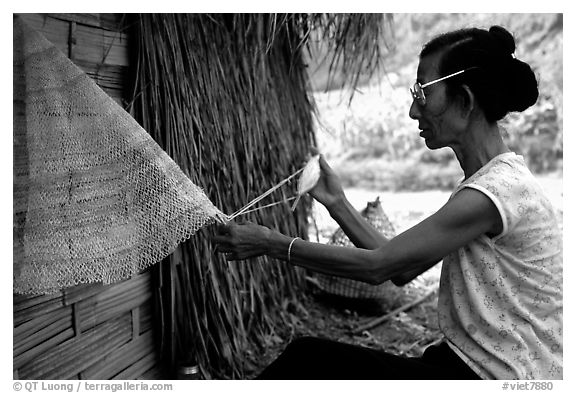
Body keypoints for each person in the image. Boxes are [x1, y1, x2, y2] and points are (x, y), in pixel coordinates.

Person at [213, 25, 562, 380]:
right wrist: (338, 203)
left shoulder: (493, 194)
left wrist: (271, 244)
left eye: (423, 92)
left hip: (506, 378)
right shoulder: (490, 184)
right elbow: (400, 268)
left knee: (308, 359)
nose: (413, 110)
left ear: (466, 100)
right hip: (473, 366)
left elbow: (378, 266)